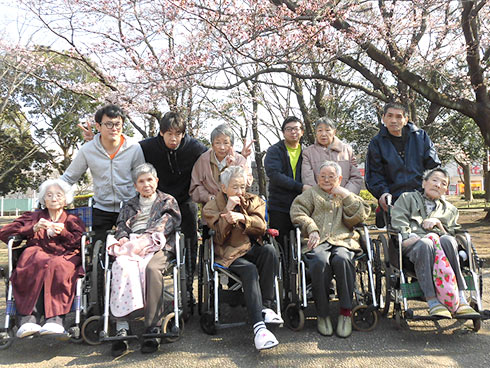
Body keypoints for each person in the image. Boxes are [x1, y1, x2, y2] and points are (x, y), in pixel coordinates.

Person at [202, 166, 282, 351]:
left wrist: (242, 218)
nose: (240, 191)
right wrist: (227, 214)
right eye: (235, 187)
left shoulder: (254, 200)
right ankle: (259, 328)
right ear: (224, 188)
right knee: (249, 269)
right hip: (228, 252)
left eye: (242, 187)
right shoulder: (212, 206)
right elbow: (219, 237)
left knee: (270, 251)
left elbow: (261, 226)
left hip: (251, 246)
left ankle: (265, 307)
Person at [107, 163, 181, 356]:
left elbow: (167, 223)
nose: (146, 184)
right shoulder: (129, 204)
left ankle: (153, 327)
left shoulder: (167, 201)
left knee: (151, 269)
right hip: (132, 243)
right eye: (141, 181)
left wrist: (146, 239)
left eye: (149, 180)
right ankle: (122, 325)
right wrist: (123, 237)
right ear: (135, 185)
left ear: (156, 181)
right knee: (120, 266)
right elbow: (122, 225)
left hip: (159, 244)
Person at [290, 161, 371, 338]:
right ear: (317, 178)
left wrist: (345, 194)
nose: (326, 179)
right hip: (317, 242)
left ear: (340, 178)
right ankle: (323, 314)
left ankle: (345, 313)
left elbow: (360, 215)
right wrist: (311, 228)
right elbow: (297, 212)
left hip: (343, 241)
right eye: (322, 176)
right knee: (319, 261)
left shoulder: (346, 195)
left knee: (342, 259)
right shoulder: (310, 194)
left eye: (331, 176)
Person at [0, 179, 85, 338]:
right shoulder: (34, 216)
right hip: (37, 251)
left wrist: (64, 233)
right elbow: (5, 232)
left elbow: (81, 242)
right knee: (35, 262)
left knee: (57, 265)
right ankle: (28, 320)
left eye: (58, 195)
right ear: (43, 199)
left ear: (65, 199)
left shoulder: (72, 219)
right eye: (49, 195)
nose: (54, 199)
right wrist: (32, 228)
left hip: (64, 254)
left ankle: (55, 320)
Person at [391, 168, 480, 319]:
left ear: (446, 189)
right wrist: (406, 237)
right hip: (415, 245)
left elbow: (453, 233)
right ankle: (432, 301)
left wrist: (438, 223)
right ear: (424, 183)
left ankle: (461, 298)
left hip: (442, 249)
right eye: (434, 180)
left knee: (448, 240)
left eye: (443, 183)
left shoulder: (450, 210)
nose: (438, 185)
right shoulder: (407, 198)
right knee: (426, 243)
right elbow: (399, 221)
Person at [139, 112, 207, 299]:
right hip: (159, 200)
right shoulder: (147, 147)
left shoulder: (194, 147)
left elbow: (214, 157)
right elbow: (123, 149)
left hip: (185, 199)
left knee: (191, 237)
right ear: (161, 133)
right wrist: (96, 139)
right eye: (169, 134)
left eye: (178, 134)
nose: (174, 138)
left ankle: (188, 286)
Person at [61, 104, 145, 243]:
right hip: (101, 207)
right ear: (98, 126)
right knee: (97, 250)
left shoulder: (134, 147)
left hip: (129, 206)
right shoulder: (88, 150)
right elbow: (69, 177)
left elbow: (142, 176)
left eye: (118, 124)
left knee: (130, 248)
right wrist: (50, 192)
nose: (114, 128)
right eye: (109, 124)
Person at [365, 102, 440, 226]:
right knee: (398, 238)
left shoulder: (421, 138)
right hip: (394, 199)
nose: (394, 120)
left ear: (406, 119)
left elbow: (434, 167)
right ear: (383, 118)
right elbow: (374, 174)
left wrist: (431, 190)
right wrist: (382, 193)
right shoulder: (376, 143)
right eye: (389, 116)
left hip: (422, 197)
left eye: (399, 116)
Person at [264, 116, 310, 252]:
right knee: (281, 247)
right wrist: (300, 187)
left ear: (302, 131)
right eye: (288, 129)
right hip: (280, 206)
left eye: (296, 129)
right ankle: (283, 273)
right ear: (283, 132)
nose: (293, 132)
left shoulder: (307, 152)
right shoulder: (274, 151)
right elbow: (275, 175)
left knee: (304, 245)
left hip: (304, 206)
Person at [189, 123, 252, 205]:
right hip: (210, 208)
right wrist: (209, 197)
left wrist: (233, 169)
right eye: (218, 143)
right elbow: (195, 187)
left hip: (236, 206)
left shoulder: (240, 160)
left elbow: (247, 182)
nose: (222, 147)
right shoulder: (203, 160)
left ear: (231, 145)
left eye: (226, 143)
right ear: (212, 144)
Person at [302, 117, 362, 194]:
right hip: (318, 202)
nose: (323, 134)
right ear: (316, 132)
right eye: (320, 130)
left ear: (334, 132)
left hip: (344, 201)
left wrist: (344, 195)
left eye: (327, 130)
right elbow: (307, 179)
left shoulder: (347, 150)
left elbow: (356, 178)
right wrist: (321, 199)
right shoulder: (308, 152)